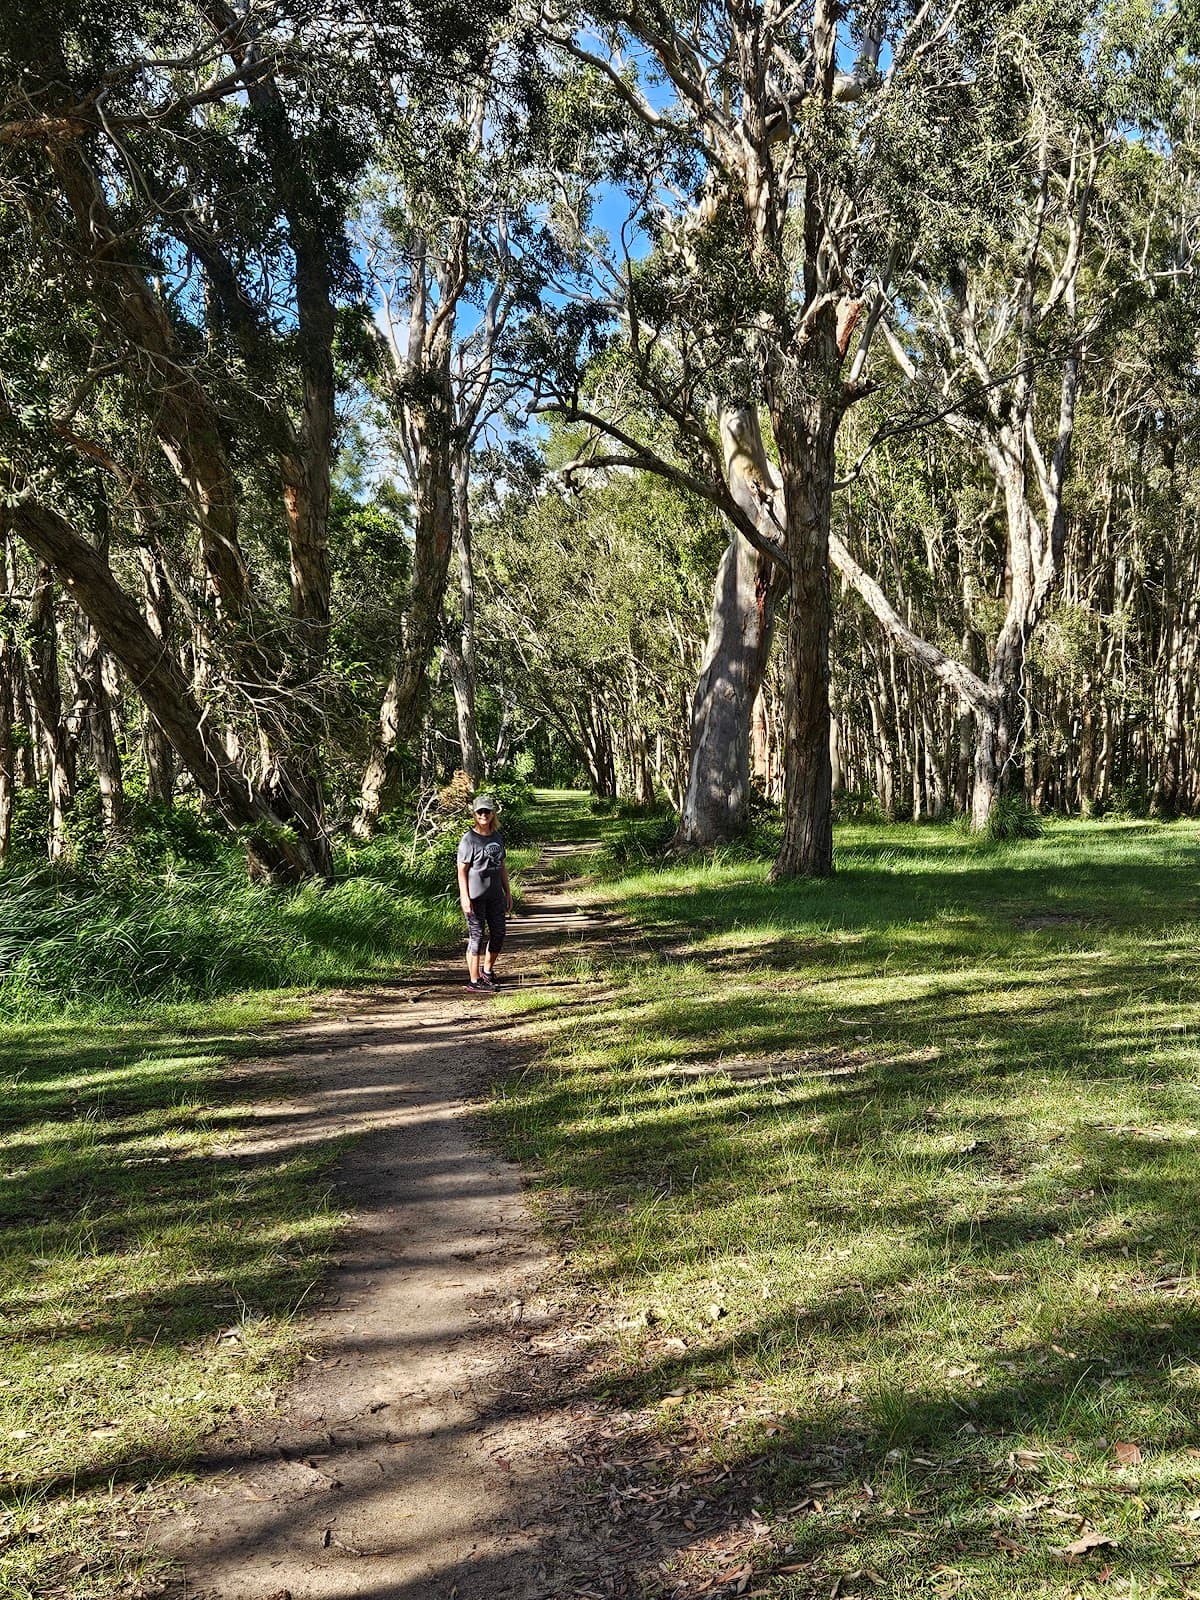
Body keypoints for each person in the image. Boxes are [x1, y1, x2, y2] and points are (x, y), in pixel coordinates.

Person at [456, 794, 512, 992]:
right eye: (480, 811)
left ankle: (487, 971)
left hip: (495, 895)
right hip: (475, 897)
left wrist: (508, 892)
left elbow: (502, 865)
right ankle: (474, 980)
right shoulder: (469, 839)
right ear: (474, 814)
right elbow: (461, 870)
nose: (483, 815)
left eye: (487, 811)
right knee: (477, 936)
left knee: (499, 933)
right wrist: (465, 896)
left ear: (492, 813)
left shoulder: (497, 836)